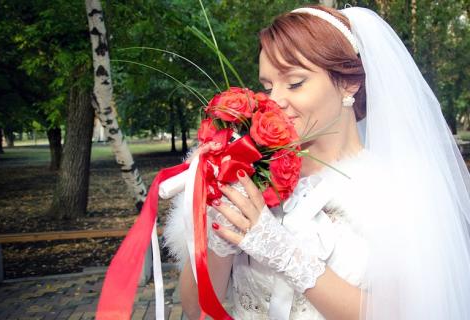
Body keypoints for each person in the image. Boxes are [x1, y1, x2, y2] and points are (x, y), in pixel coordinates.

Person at [163, 4, 470, 319]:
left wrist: (286, 254)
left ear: (349, 83)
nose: (275, 100)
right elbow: (194, 308)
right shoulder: (252, 175)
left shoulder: (399, 190)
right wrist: (220, 235)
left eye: (295, 83)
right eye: (268, 87)